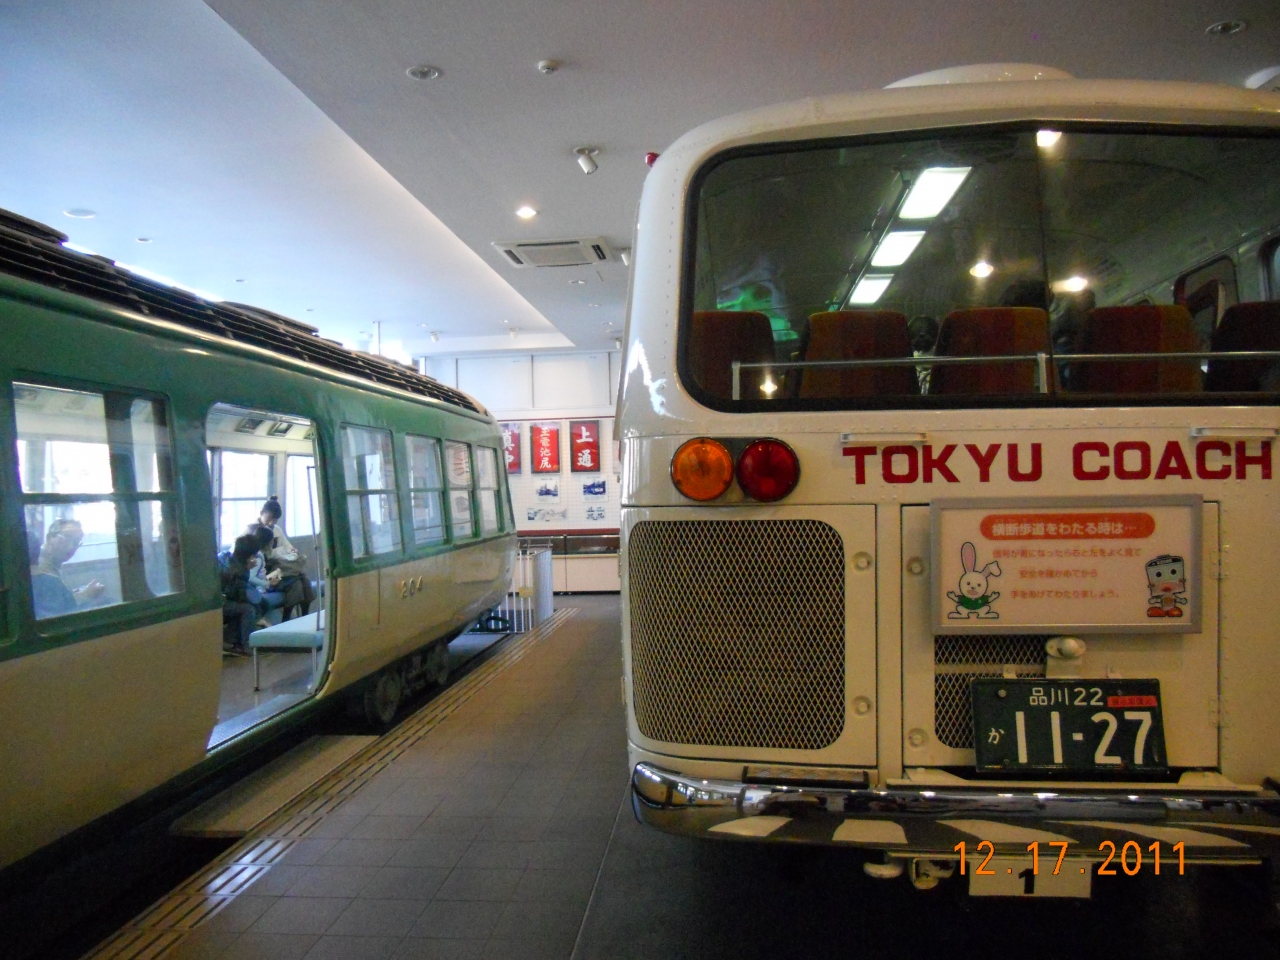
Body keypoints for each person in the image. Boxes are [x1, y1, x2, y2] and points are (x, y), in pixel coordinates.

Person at [30, 518, 106, 619]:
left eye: (76, 542)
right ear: (49, 538)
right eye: (66, 538)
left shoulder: (54, 563)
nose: (71, 546)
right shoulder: (39, 569)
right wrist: (85, 595)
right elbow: (57, 613)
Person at [256, 497, 315, 620]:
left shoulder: (276, 530)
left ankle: (304, 616)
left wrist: (292, 551)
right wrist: (279, 551)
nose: (271, 523)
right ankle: (287, 618)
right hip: (267, 575)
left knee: (304, 581)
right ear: (261, 513)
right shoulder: (254, 531)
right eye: (269, 519)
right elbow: (265, 556)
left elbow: (288, 547)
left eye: (274, 520)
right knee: (296, 582)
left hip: (278, 570)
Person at [220, 534, 259, 655]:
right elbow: (238, 594)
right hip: (221, 603)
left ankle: (231, 639)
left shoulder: (230, 560)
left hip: (224, 600)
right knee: (248, 609)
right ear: (249, 555)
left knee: (245, 607)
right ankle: (247, 645)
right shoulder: (238, 569)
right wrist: (247, 569)